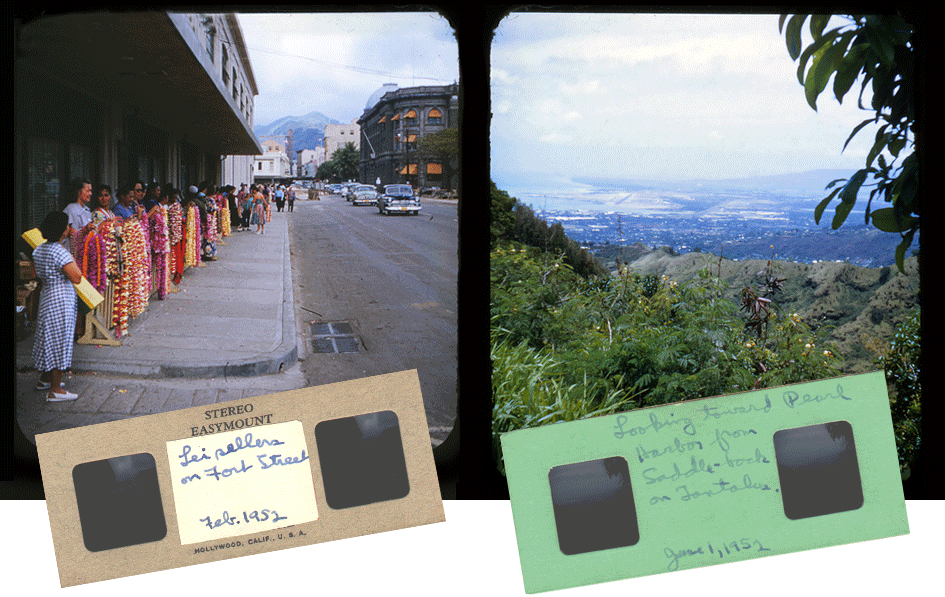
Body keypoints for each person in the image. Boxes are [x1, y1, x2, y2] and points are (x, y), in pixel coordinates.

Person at [32, 211, 83, 401]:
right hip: (61, 300)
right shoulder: (59, 251)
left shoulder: (39, 249)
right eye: (67, 226)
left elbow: (36, 274)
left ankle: (45, 379)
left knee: (47, 337)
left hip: (47, 297)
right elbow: (77, 277)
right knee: (60, 339)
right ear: (63, 230)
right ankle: (55, 390)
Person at [63, 177, 94, 252]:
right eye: (87, 191)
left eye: (91, 191)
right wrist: (85, 230)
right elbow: (72, 235)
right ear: (79, 192)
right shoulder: (71, 209)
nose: (90, 194)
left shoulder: (86, 210)